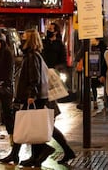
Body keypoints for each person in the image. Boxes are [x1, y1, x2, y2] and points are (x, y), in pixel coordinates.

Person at [0, 29, 54, 167]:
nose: (21, 39)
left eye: (24, 37)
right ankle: (28, 155)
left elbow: (34, 77)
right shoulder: (33, 55)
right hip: (34, 96)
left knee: (26, 125)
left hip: (33, 96)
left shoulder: (32, 56)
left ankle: (39, 151)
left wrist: (31, 95)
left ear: (30, 39)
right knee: (27, 125)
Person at [41, 23, 76, 165]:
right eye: (48, 29)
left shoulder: (59, 45)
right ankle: (65, 151)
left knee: (47, 121)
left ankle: (61, 150)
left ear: (56, 31)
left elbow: (62, 62)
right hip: (43, 79)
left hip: (51, 80)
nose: (48, 31)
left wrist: (55, 71)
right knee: (46, 121)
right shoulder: (43, 43)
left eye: (51, 29)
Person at [90, 38, 107, 109]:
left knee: (104, 83)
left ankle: (105, 100)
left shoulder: (102, 44)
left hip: (101, 66)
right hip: (93, 67)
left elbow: (105, 55)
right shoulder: (89, 44)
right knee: (93, 84)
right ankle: (95, 101)